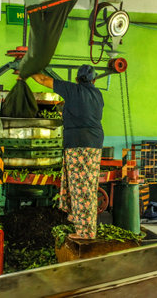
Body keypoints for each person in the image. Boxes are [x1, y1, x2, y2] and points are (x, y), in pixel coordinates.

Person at [30, 65, 104, 240]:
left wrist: (28, 70)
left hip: (78, 144)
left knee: (81, 189)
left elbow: (42, 79)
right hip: (93, 143)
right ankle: (80, 225)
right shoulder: (98, 95)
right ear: (93, 80)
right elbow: (82, 110)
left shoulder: (72, 89)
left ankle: (86, 233)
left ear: (78, 79)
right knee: (84, 186)